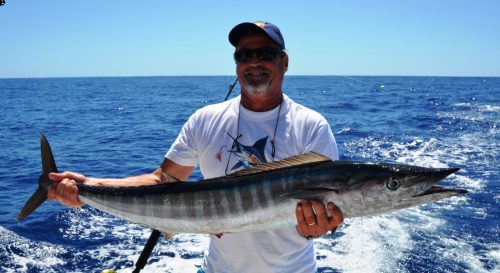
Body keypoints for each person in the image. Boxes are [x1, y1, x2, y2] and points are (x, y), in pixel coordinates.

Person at [48, 21, 344, 273]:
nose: (254, 62)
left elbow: (328, 214)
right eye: (244, 56)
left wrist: (320, 227)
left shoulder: (311, 126)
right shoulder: (205, 120)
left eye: (265, 54)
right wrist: (88, 186)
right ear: (236, 64)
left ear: (285, 61)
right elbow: (162, 180)